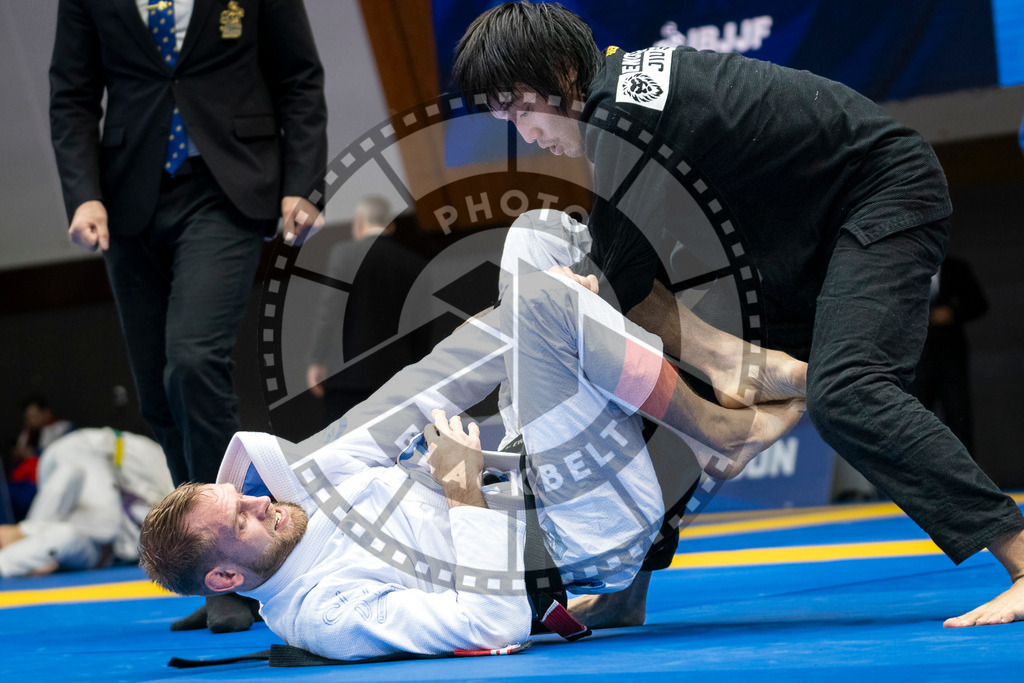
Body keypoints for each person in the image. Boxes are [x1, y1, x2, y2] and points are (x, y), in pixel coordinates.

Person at [450, 1, 1024, 629]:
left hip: (878, 195)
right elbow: (637, 275)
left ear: (561, 72)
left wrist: (567, 294)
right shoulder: (623, 97)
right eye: (506, 119)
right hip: (784, 246)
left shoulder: (621, 110)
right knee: (667, 385)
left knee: (847, 393)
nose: (525, 134)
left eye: (521, 109)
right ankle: (628, 587)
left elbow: (622, 276)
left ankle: (1022, 557)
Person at [140, 254, 804, 661]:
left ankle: (719, 380)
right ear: (226, 579)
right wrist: (462, 492)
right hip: (576, 536)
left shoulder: (315, 481)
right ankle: (719, 434)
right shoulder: (325, 614)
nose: (261, 500)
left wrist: (535, 302)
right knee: (548, 301)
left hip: (537, 471)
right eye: (244, 518)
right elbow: (494, 625)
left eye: (244, 494)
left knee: (542, 247)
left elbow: (435, 376)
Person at [49, 0, 328, 632]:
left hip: (229, 185)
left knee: (193, 363)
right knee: (157, 392)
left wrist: (302, 182)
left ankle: (244, 565)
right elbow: (71, 94)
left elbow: (299, 77)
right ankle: (210, 567)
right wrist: (84, 193)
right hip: (127, 197)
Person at [306, 196, 430, 425]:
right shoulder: (414, 263)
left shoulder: (343, 254)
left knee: (342, 449)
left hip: (348, 377)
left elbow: (329, 310)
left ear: (359, 222)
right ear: (390, 226)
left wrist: (317, 359)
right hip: (399, 378)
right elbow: (422, 326)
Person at [0, 428, 173, 578]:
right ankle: (23, 532)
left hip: (97, 550)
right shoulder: (156, 464)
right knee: (75, 479)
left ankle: (19, 541)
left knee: (67, 535)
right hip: (79, 454)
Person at [909, 256, 988, 456]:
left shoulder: (957, 268)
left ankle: (966, 482)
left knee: (959, 422)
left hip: (951, 361)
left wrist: (952, 313)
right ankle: (915, 482)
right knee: (913, 426)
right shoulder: (906, 268)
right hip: (917, 361)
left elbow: (979, 304)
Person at [4, 397, 75, 521]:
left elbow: (67, 455)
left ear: (46, 413)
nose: (31, 420)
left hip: (48, 481)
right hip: (25, 480)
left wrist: (35, 453)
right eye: (28, 417)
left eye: (34, 416)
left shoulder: (64, 429)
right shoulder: (28, 433)